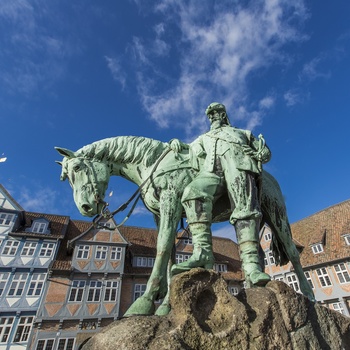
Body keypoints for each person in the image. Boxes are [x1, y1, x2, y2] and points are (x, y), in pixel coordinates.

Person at [170, 102, 271, 286]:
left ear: (224, 115)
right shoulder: (203, 138)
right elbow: (187, 149)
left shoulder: (243, 133)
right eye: (210, 114)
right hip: (211, 174)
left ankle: (251, 266)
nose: (213, 116)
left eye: (217, 113)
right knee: (192, 192)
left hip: (238, 168)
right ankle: (202, 252)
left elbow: (264, 152)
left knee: (245, 209)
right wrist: (175, 143)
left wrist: (262, 152)